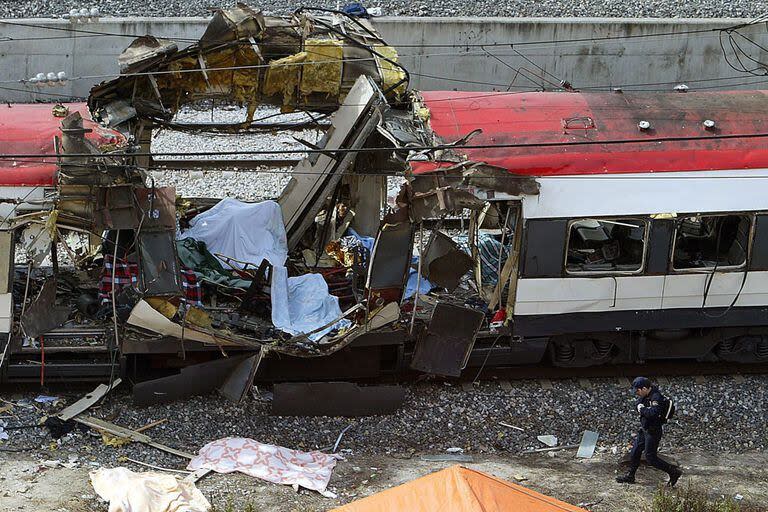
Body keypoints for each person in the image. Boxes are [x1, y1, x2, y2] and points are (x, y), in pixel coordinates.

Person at [616, 376, 682, 486]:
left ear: (645, 388)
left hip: (653, 431)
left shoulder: (656, 397)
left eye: (638, 391)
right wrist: (642, 408)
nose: (637, 393)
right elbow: (638, 403)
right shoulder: (646, 395)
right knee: (635, 452)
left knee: (651, 457)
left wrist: (642, 409)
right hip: (645, 429)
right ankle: (630, 476)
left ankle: (673, 472)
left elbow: (653, 413)